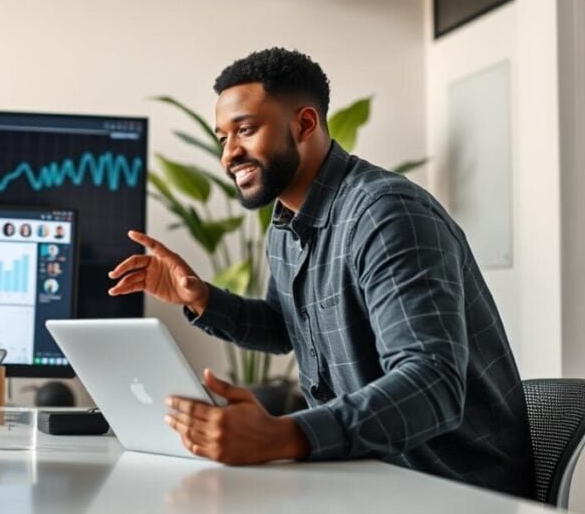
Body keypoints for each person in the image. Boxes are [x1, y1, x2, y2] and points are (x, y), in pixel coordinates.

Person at [107, 47, 533, 497]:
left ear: (305, 124)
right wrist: (201, 298)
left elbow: (433, 384)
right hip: (365, 476)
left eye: (246, 130)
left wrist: (283, 435)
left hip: (454, 489)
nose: (230, 154)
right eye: (222, 138)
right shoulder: (287, 223)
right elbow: (284, 326)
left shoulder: (386, 216)